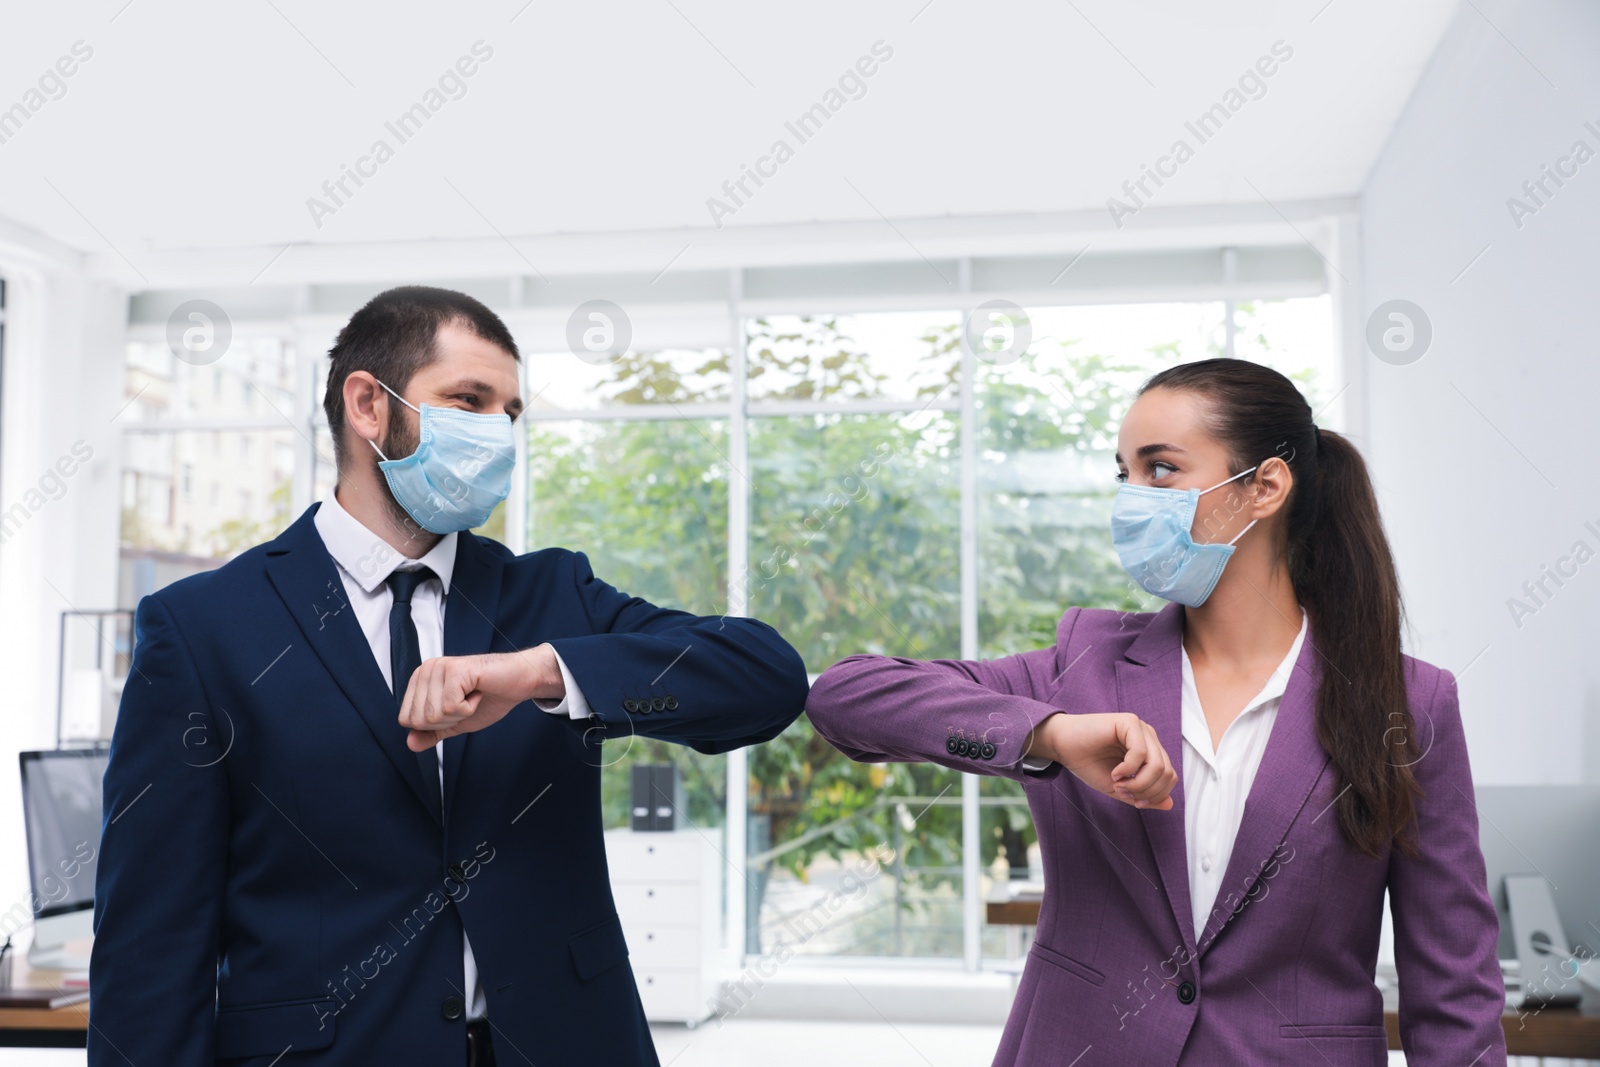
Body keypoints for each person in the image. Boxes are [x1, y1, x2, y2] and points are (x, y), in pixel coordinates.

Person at [90, 286, 809, 1066]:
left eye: (511, 411)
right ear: (368, 403)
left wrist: (542, 670)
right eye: (469, 400)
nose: (497, 431)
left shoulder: (553, 596)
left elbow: (766, 677)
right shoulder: (204, 629)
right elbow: (150, 941)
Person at [806, 358, 1507, 1066]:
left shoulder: (1411, 705)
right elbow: (846, 695)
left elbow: (1453, 989)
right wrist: (1050, 732)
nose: (1131, 498)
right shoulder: (1080, 665)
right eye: (1124, 474)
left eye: (1161, 469)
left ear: (1264, 486)